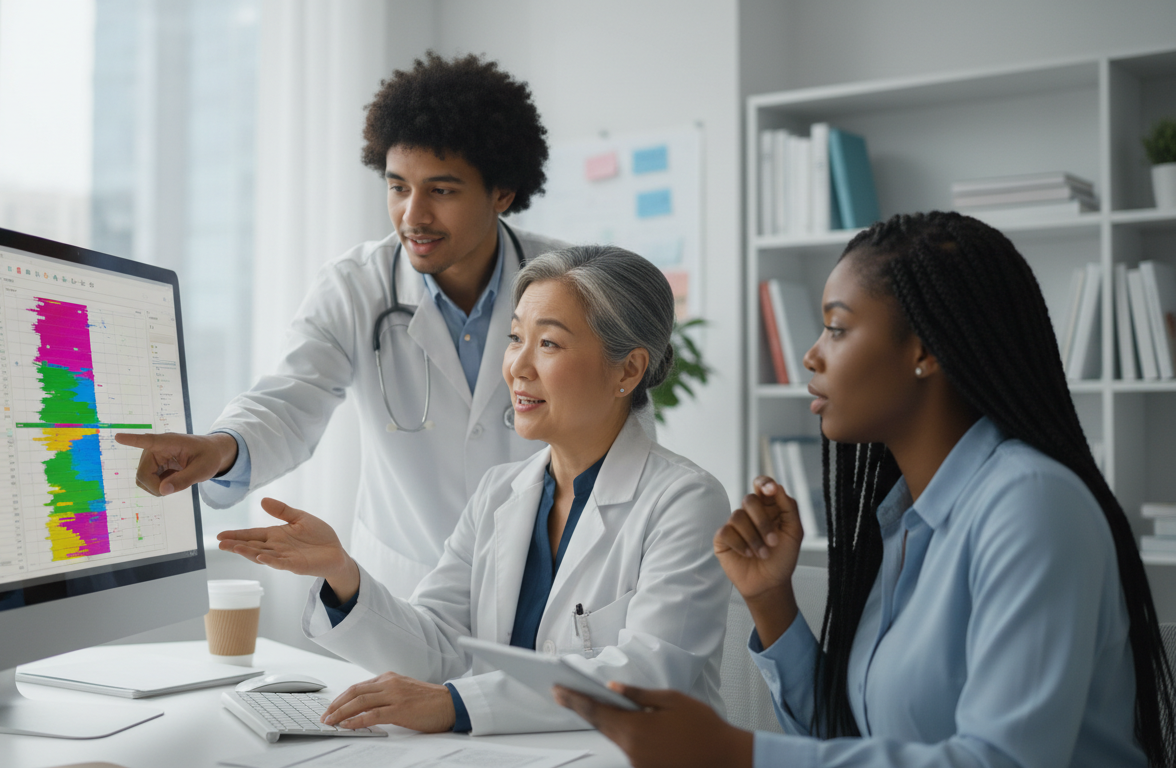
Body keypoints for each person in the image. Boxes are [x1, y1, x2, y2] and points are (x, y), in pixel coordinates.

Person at [553, 211, 1176, 767]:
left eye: (837, 328)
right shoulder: (908, 520)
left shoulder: (1033, 504)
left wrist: (735, 752)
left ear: (924, 350)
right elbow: (850, 742)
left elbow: (999, 761)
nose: (811, 357)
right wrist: (772, 605)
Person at [217, 245, 731, 735]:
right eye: (514, 338)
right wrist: (341, 574)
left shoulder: (685, 502)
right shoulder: (500, 493)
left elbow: (647, 676)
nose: (517, 367)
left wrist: (457, 705)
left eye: (548, 343)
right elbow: (442, 647)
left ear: (629, 369)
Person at [114, 53, 567, 598]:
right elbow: (289, 400)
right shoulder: (355, 287)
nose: (413, 215)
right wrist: (220, 448)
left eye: (441, 191)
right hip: (408, 595)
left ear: (502, 193)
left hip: (546, 590)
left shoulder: (573, 286)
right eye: (399, 187)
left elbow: (616, 441)